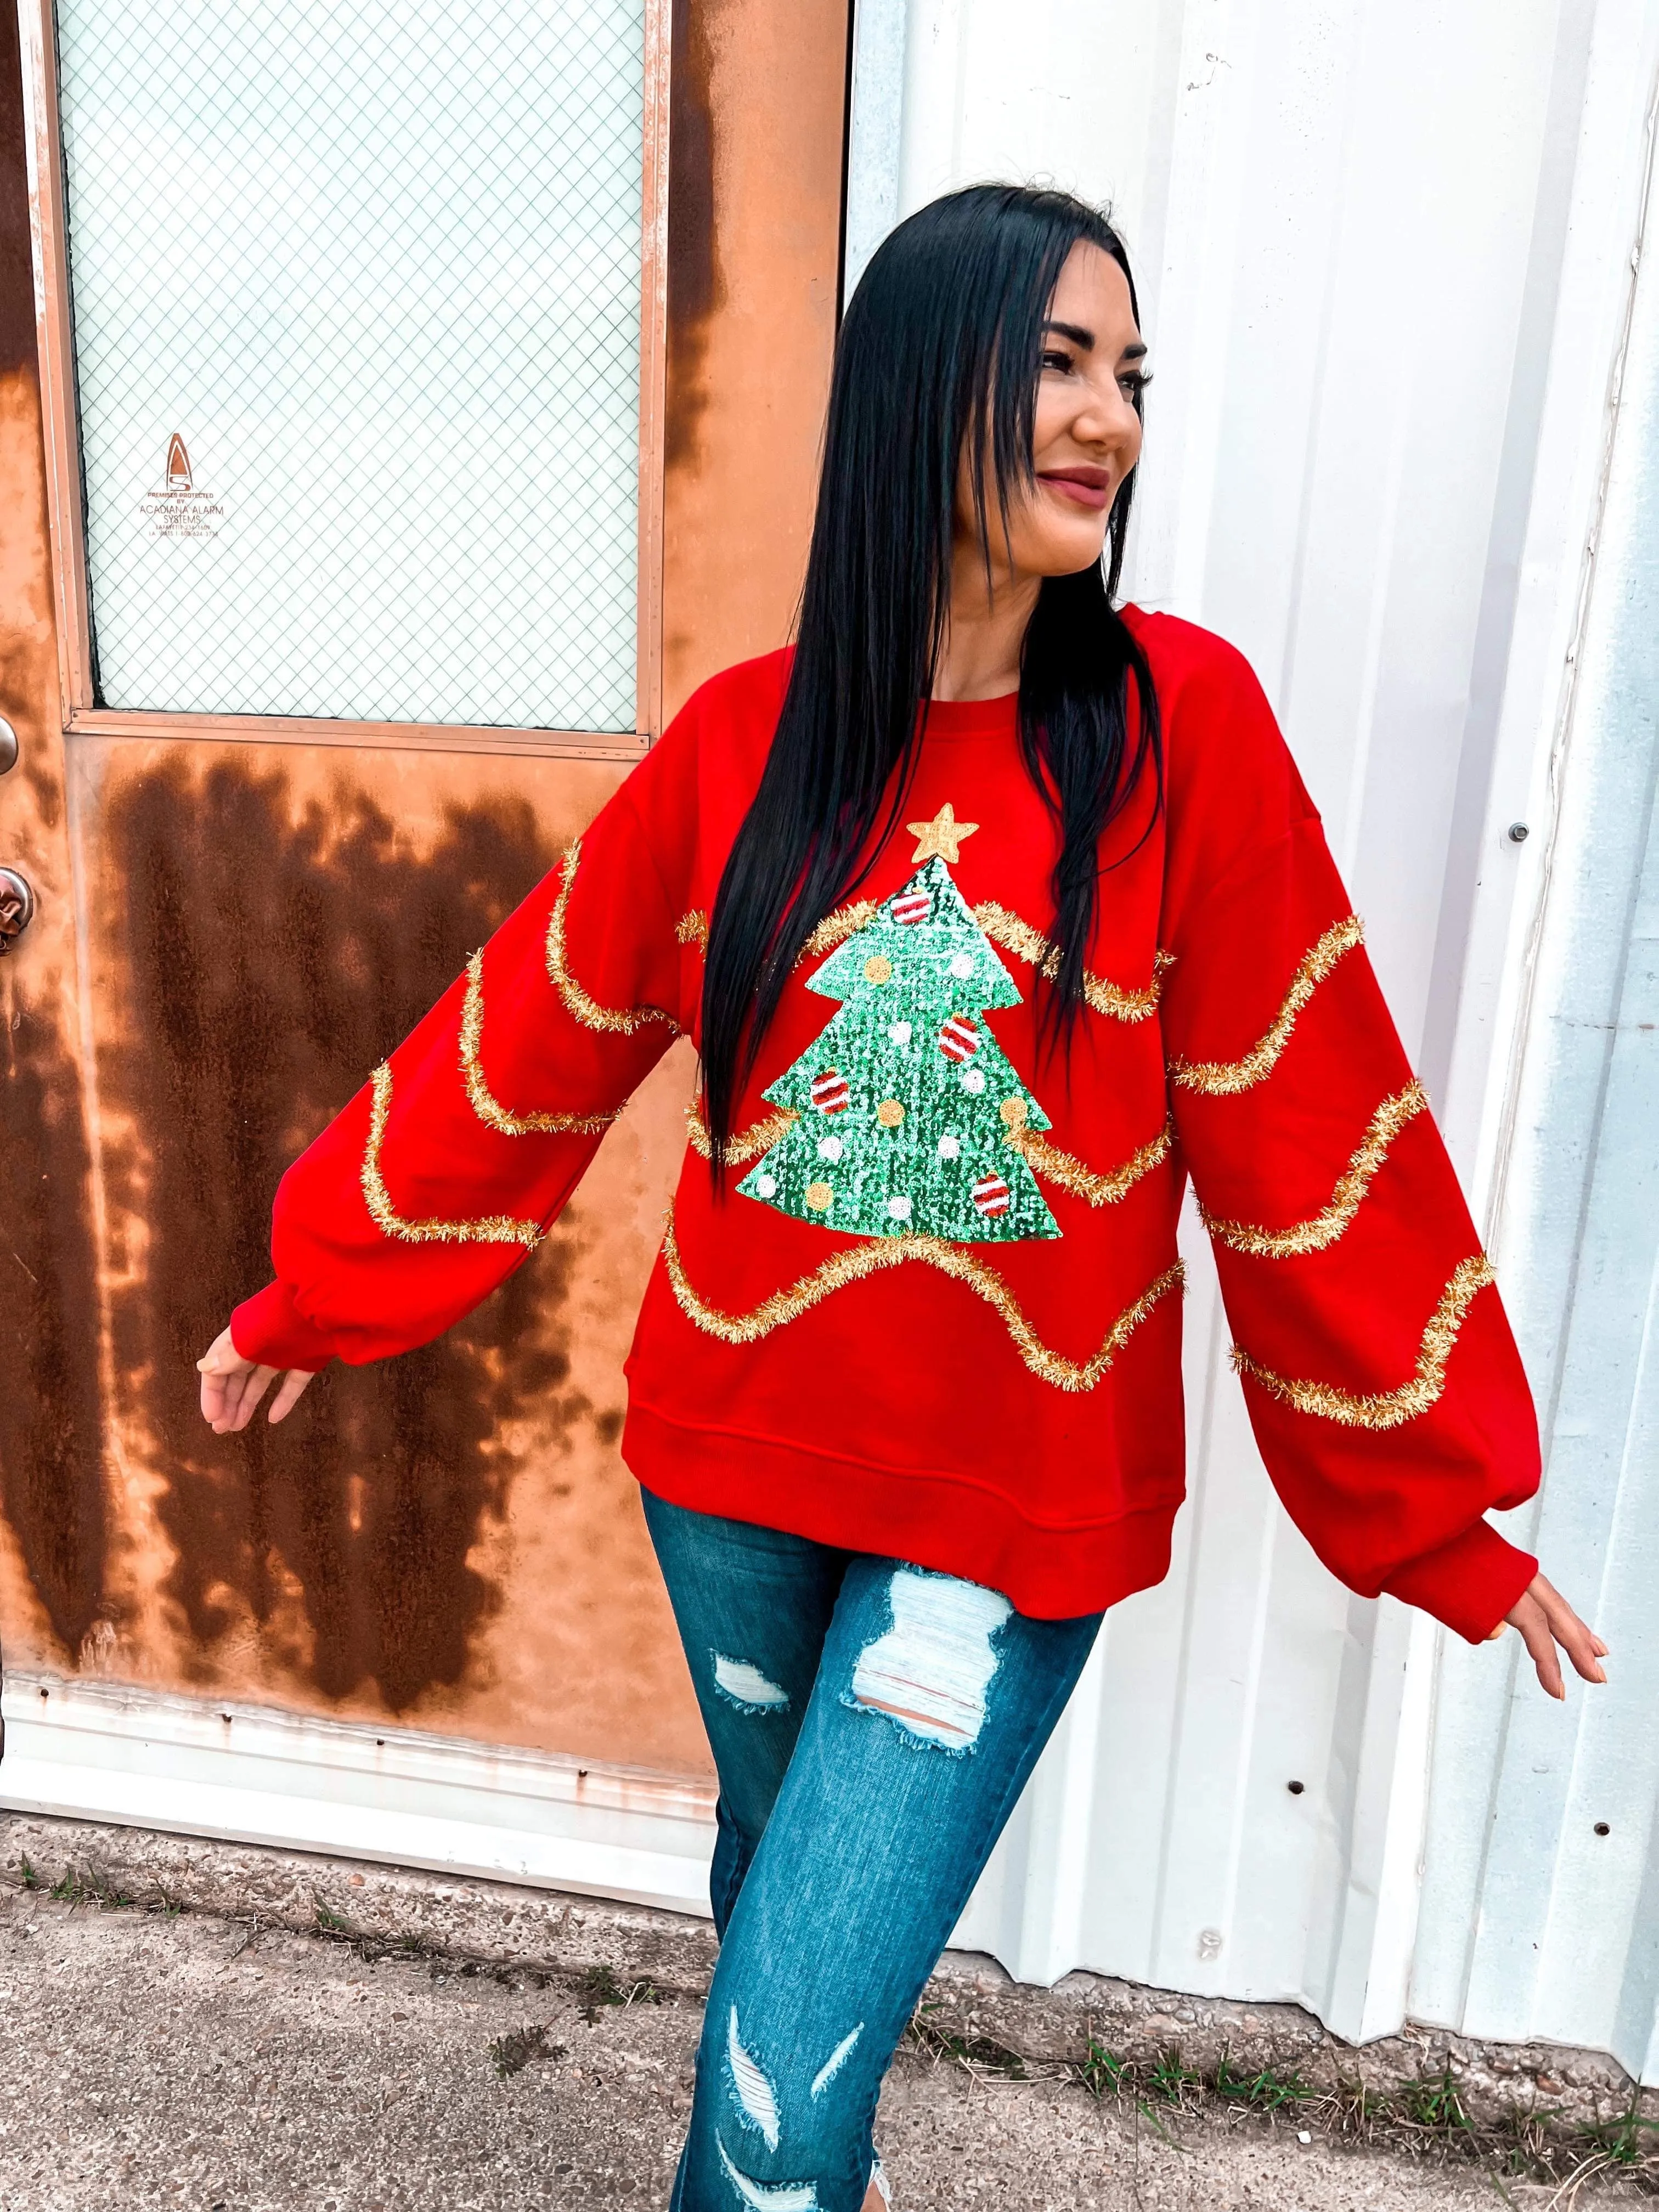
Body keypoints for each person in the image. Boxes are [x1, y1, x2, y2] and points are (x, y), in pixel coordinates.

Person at [198, 185, 1605, 2212]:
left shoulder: (1176, 733)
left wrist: (1433, 1511)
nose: (1108, 417)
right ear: (909, 386)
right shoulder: (738, 750)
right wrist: (307, 1297)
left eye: (1130, 375)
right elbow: (528, 1046)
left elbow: (1307, 1119)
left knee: (772, 2091)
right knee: (787, 1928)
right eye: (1054, 361)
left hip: (1005, 1516)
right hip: (733, 1479)